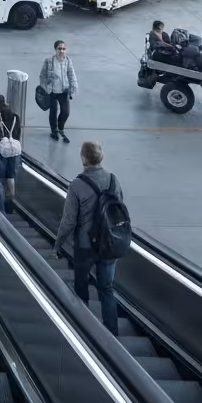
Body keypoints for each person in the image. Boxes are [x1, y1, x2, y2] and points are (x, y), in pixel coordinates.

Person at [53, 141, 123, 336]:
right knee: (106, 289)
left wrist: (57, 245)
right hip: (109, 243)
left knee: (81, 286)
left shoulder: (77, 184)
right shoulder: (113, 180)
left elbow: (68, 221)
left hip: (85, 246)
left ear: (83, 158)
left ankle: (83, 331)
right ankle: (112, 334)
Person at [40, 40, 78, 143]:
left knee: (65, 112)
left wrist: (73, 88)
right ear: (55, 50)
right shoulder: (49, 61)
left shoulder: (68, 60)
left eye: (64, 49)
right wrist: (45, 88)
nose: (62, 51)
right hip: (52, 91)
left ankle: (60, 128)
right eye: (59, 49)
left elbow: (71, 75)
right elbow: (42, 76)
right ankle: (54, 131)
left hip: (64, 91)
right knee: (53, 112)